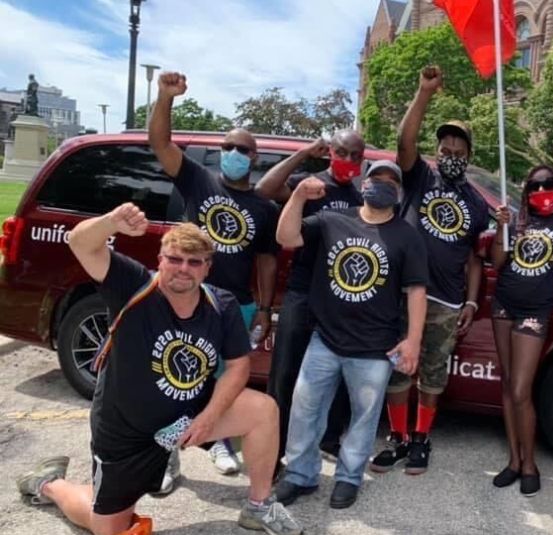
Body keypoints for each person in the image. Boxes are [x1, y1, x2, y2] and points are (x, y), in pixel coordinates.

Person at [15, 206, 300, 535]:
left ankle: (259, 507)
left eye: (194, 262)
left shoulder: (221, 304)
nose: (184, 269)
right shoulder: (133, 285)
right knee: (107, 528)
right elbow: (79, 242)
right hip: (127, 430)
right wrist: (110, 223)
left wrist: (208, 418)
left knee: (263, 409)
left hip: (188, 416)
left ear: (207, 268)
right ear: (160, 259)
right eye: (175, 259)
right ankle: (50, 483)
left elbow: (238, 366)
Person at [273, 160, 428, 509]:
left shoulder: (407, 235)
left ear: (399, 192)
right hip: (325, 339)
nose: (383, 185)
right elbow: (286, 237)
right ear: (364, 183)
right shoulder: (332, 220)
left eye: (392, 181)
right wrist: (297, 196)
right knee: (304, 409)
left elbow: (416, 291)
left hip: (375, 347)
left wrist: (413, 341)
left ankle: (348, 478)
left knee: (363, 417)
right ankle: (300, 475)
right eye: (376, 178)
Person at [149, 71, 281, 480]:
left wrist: (262, 308)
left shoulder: (262, 206)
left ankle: (219, 443)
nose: (234, 152)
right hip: (185, 297)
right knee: (172, 376)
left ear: (254, 158)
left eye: (243, 148)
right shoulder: (199, 180)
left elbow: (266, 262)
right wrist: (165, 97)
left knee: (223, 381)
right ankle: (166, 456)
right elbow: (160, 143)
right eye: (228, 146)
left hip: (234, 306)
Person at [371, 66, 490, 476]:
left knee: (434, 374)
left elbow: (476, 256)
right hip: (403, 293)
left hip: (446, 301)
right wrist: (423, 93)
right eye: (445, 149)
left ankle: (421, 439)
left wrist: (472, 300)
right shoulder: (420, 177)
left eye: (459, 152)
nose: (451, 156)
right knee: (398, 370)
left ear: (468, 157)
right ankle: (398, 438)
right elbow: (405, 142)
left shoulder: (478, 204)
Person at [256, 132, 365, 469]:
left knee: (339, 374)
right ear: (330, 152)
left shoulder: (360, 198)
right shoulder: (310, 183)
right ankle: (273, 453)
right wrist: (304, 154)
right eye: (341, 151)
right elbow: (265, 190)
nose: (346, 158)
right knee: (285, 373)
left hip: (340, 296)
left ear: (361, 161)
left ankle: (329, 440)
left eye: (354, 154)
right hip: (303, 292)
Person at [490, 144, 553, 496]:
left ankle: (530, 463)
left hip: (535, 312)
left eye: (548, 185)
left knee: (520, 389)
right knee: (507, 383)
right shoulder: (517, 221)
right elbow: (498, 262)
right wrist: (501, 228)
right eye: (534, 187)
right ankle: (514, 460)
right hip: (504, 304)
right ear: (526, 193)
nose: (541, 192)